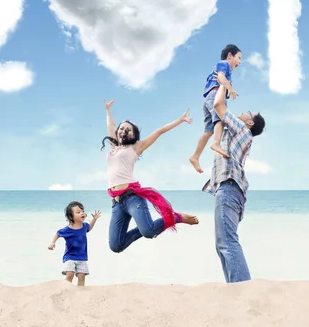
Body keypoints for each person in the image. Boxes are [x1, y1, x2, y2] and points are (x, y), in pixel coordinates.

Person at [102, 99, 199, 253]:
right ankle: (144, 224)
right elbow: (111, 126)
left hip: (132, 197)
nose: (123, 131)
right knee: (116, 246)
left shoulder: (136, 148)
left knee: (148, 231)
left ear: (134, 134)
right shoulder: (113, 146)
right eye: (121, 128)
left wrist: (180, 120)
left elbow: (159, 131)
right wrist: (108, 111)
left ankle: (177, 217)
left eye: (128, 129)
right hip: (116, 202)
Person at [207, 83, 266, 283]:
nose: (241, 112)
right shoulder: (235, 133)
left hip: (230, 188)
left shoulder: (241, 129)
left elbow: (218, 105)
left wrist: (224, 82)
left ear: (249, 122)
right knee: (222, 243)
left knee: (227, 242)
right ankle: (235, 288)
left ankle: (243, 290)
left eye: (246, 112)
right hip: (230, 190)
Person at [189, 44, 242, 174]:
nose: (239, 63)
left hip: (208, 98)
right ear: (230, 55)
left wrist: (228, 87)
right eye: (239, 58)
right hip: (215, 95)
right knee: (220, 120)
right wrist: (229, 87)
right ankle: (216, 143)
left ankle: (195, 156)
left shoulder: (226, 69)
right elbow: (220, 77)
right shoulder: (224, 64)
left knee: (208, 130)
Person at [48, 201, 101, 286]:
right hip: (70, 256)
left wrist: (94, 219)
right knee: (70, 274)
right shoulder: (67, 229)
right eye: (78, 212)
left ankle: (80, 292)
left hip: (82, 257)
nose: (82, 213)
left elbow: (89, 228)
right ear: (71, 217)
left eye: (82, 211)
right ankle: (66, 289)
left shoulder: (84, 226)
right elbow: (58, 233)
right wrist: (52, 243)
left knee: (81, 276)